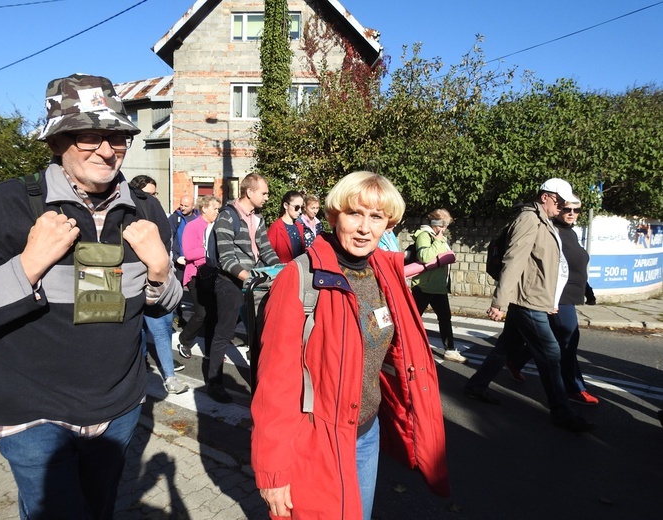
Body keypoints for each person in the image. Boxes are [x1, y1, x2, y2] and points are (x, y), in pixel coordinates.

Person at [0, 73, 182, 519]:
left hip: (118, 409)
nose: (106, 150)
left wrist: (161, 273)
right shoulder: (6, 203)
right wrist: (28, 266)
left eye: (117, 137)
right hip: (34, 411)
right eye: (89, 137)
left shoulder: (146, 210)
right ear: (56, 142)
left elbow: (163, 304)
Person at [252, 171, 449, 519]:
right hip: (318, 439)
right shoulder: (299, 279)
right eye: (354, 213)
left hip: (367, 433)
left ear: (387, 223)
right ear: (333, 216)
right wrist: (273, 472)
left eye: (376, 217)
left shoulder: (382, 273)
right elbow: (274, 386)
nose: (364, 228)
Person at [464, 178, 596, 433]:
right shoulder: (529, 220)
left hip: (534, 298)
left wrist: (551, 300)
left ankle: (476, 386)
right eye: (559, 201)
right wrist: (499, 302)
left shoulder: (545, 221)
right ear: (545, 196)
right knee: (551, 354)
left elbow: (546, 268)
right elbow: (514, 261)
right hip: (526, 301)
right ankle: (561, 411)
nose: (562, 207)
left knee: (504, 348)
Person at [506, 201, 599, 405]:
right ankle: (574, 388)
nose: (572, 213)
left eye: (577, 210)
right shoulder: (551, 231)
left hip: (571, 295)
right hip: (557, 296)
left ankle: (516, 361)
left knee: (551, 338)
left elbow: (575, 267)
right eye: (567, 209)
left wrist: (588, 291)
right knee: (569, 339)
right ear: (558, 209)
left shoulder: (571, 233)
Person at [209, 173, 279, 403]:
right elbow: (227, 259)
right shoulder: (226, 217)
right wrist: (249, 277)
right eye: (264, 193)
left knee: (258, 333)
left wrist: (281, 269)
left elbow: (266, 251)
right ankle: (214, 382)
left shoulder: (258, 218)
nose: (267, 197)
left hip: (254, 282)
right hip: (230, 282)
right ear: (249, 192)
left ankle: (260, 382)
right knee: (224, 333)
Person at [129, 175, 188, 394]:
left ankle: (167, 374)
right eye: (148, 194)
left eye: (155, 194)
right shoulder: (127, 217)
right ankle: (157, 372)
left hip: (159, 283)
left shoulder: (160, 217)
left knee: (161, 330)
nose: (153, 199)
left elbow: (168, 249)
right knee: (143, 330)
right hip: (136, 285)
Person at [410, 209, 466, 363]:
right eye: (443, 224)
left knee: (445, 318)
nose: (445, 228)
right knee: (412, 319)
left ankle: (449, 350)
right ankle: (403, 346)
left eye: (446, 225)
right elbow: (424, 257)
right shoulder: (424, 235)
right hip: (424, 286)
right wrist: (439, 241)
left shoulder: (437, 236)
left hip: (438, 287)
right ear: (435, 223)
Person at [177, 195, 222, 359]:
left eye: (218, 209)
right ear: (204, 209)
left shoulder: (217, 226)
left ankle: (211, 350)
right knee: (201, 313)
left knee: (214, 314)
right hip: (196, 275)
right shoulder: (193, 226)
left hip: (214, 273)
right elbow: (188, 253)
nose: (217, 212)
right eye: (215, 208)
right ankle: (184, 340)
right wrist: (208, 249)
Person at [169, 194, 198, 327]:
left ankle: (199, 317)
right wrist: (175, 258)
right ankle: (178, 317)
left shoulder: (198, 217)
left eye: (186, 206)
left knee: (196, 291)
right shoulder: (175, 218)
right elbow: (169, 239)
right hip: (180, 262)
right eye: (181, 204)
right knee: (177, 291)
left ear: (193, 206)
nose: (182, 208)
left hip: (194, 262)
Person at [267, 190, 306, 262]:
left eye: (302, 208)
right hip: (282, 270)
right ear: (286, 205)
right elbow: (267, 253)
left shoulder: (300, 227)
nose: (300, 211)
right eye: (297, 207)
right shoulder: (276, 227)